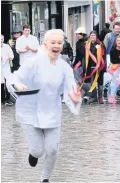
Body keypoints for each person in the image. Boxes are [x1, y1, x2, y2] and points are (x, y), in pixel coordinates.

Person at [6, 29, 82, 182]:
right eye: (53, 42)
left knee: (53, 149)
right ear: (45, 44)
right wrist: (18, 85)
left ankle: (45, 179)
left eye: (59, 43)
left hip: (52, 112)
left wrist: (74, 97)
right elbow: (14, 77)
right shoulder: (33, 62)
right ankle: (33, 154)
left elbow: (70, 88)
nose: (56, 45)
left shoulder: (64, 67)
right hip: (30, 111)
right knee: (38, 150)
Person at [74, 31, 105, 104]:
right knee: (92, 83)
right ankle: (94, 97)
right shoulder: (86, 45)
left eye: (94, 35)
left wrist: (103, 67)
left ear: (96, 36)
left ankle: (100, 97)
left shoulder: (101, 44)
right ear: (89, 37)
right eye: (91, 36)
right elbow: (82, 55)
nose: (93, 37)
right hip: (90, 67)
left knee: (100, 83)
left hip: (99, 67)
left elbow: (104, 56)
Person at [1, 34, 14, 106]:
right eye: (0, 39)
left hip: (6, 68)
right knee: (1, 84)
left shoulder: (7, 46)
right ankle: (2, 100)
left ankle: (8, 99)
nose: (1, 41)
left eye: (2, 39)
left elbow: (12, 55)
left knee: (7, 83)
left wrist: (10, 57)